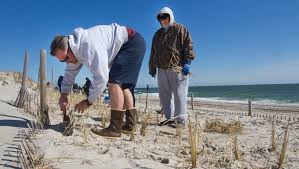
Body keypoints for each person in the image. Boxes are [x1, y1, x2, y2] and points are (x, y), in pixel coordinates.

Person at [50, 23, 146, 137]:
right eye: (63, 61)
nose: (67, 62)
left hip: (131, 42)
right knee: (124, 85)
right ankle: (130, 125)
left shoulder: (88, 45)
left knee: (114, 81)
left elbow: (101, 79)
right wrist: (64, 95)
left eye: (66, 58)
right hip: (133, 42)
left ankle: (114, 128)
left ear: (70, 46)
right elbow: (70, 74)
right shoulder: (74, 51)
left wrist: (88, 102)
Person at [149, 7, 195, 127]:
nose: (163, 20)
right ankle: (170, 118)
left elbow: (188, 45)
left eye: (165, 17)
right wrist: (152, 66)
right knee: (164, 95)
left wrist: (187, 63)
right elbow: (153, 52)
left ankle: (181, 120)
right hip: (161, 69)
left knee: (180, 95)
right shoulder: (158, 34)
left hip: (177, 68)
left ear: (170, 16)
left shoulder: (180, 29)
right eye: (160, 18)